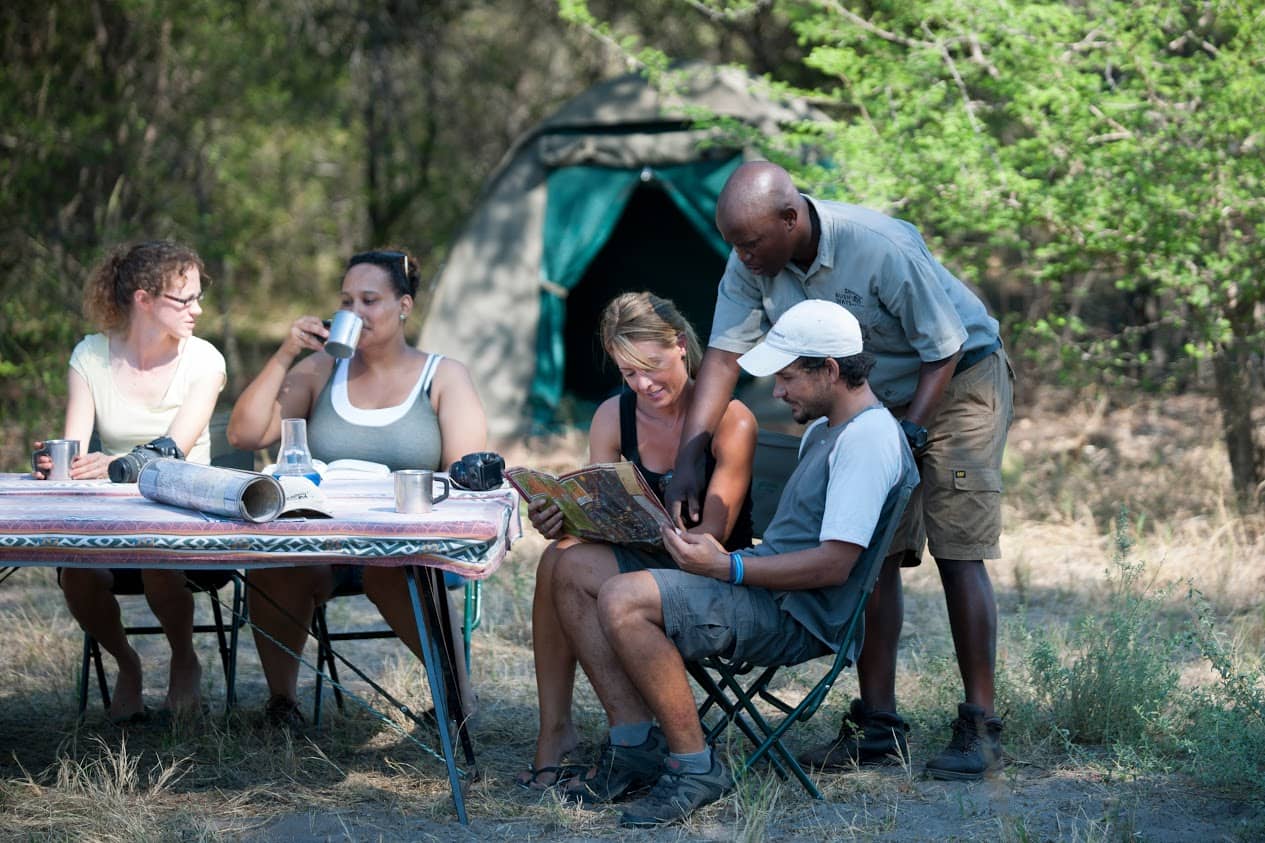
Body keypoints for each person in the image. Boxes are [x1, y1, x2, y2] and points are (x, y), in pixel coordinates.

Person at [668, 161, 1016, 781]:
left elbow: (944, 346)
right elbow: (722, 356)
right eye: (734, 245)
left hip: (957, 379)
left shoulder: (879, 246)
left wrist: (909, 434)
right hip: (868, 393)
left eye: (751, 243)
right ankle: (877, 726)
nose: (742, 257)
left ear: (791, 219)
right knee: (871, 551)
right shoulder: (750, 260)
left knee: (958, 547)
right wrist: (691, 454)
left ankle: (980, 727)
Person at [552, 300, 914, 826]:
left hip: (796, 615)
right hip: (767, 591)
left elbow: (834, 566)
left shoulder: (867, 441)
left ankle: (694, 766)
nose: (778, 391)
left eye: (787, 377)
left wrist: (729, 568)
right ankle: (634, 746)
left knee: (624, 599)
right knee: (573, 567)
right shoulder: (828, 429)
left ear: (831, 371)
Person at [226, 248, 486, 729]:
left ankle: (456, 698)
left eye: (369, 300)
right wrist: (286, 353)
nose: (355, 312)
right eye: (346, 302)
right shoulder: (322, 369)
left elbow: (465, 473)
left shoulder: (443, 376)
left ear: (404, 306)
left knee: (392, 570)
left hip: (404, 543)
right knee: (275, 563)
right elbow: (245, 434)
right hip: (323, 539)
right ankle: (282, 703)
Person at [516, 291, 756, 789]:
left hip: (710, 575)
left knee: (568, 565)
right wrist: (563, 518)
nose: (643, 384)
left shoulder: (731, 419)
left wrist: (654, 531)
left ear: (681, 346)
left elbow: (712, 538)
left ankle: (619, 738)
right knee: (558, 555)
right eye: (629, 373)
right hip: (645, 561)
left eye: (651, 366)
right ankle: (598, 734)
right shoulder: (615, 415)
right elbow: (598, 512)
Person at [32, 240, 227, 723]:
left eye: (199, 296)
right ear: (144, 299)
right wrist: (58, 463)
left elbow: (173, 451)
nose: (198, 309)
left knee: (156, 561)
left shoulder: (205, 360)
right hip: (111, 520)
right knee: (76, 571)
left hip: (186, 521)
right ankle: (127, 663)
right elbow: (76, 447)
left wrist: (113, 463)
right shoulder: (90, 355)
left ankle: (184, 658)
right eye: (185, 299)